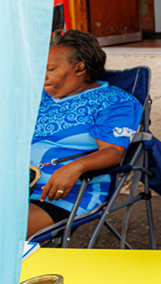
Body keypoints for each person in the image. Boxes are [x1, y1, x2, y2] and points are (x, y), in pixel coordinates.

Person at [28, 31, 142, 239]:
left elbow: (112, 152)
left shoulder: (114, 102)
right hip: (17, 187)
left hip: (67, 193)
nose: (42, 76)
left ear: (79, 67)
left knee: (5, 232)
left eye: (50, 69)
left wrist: (76, 167)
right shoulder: (36, 96)